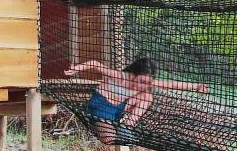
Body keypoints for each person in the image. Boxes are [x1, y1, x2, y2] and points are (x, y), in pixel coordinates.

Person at [64, 57, 209, 144]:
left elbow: (171, 84)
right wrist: (77, 68)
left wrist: (196, 86)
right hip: (100, 107)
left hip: (118, 110)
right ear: (133, 75)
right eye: (141, 81)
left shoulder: (146, 83)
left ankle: (127, 126)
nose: (143, 85)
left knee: (147, 96)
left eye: (147, 82)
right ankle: (104, 130)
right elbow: (96, 65)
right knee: (110, 141)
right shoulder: (120, 76)